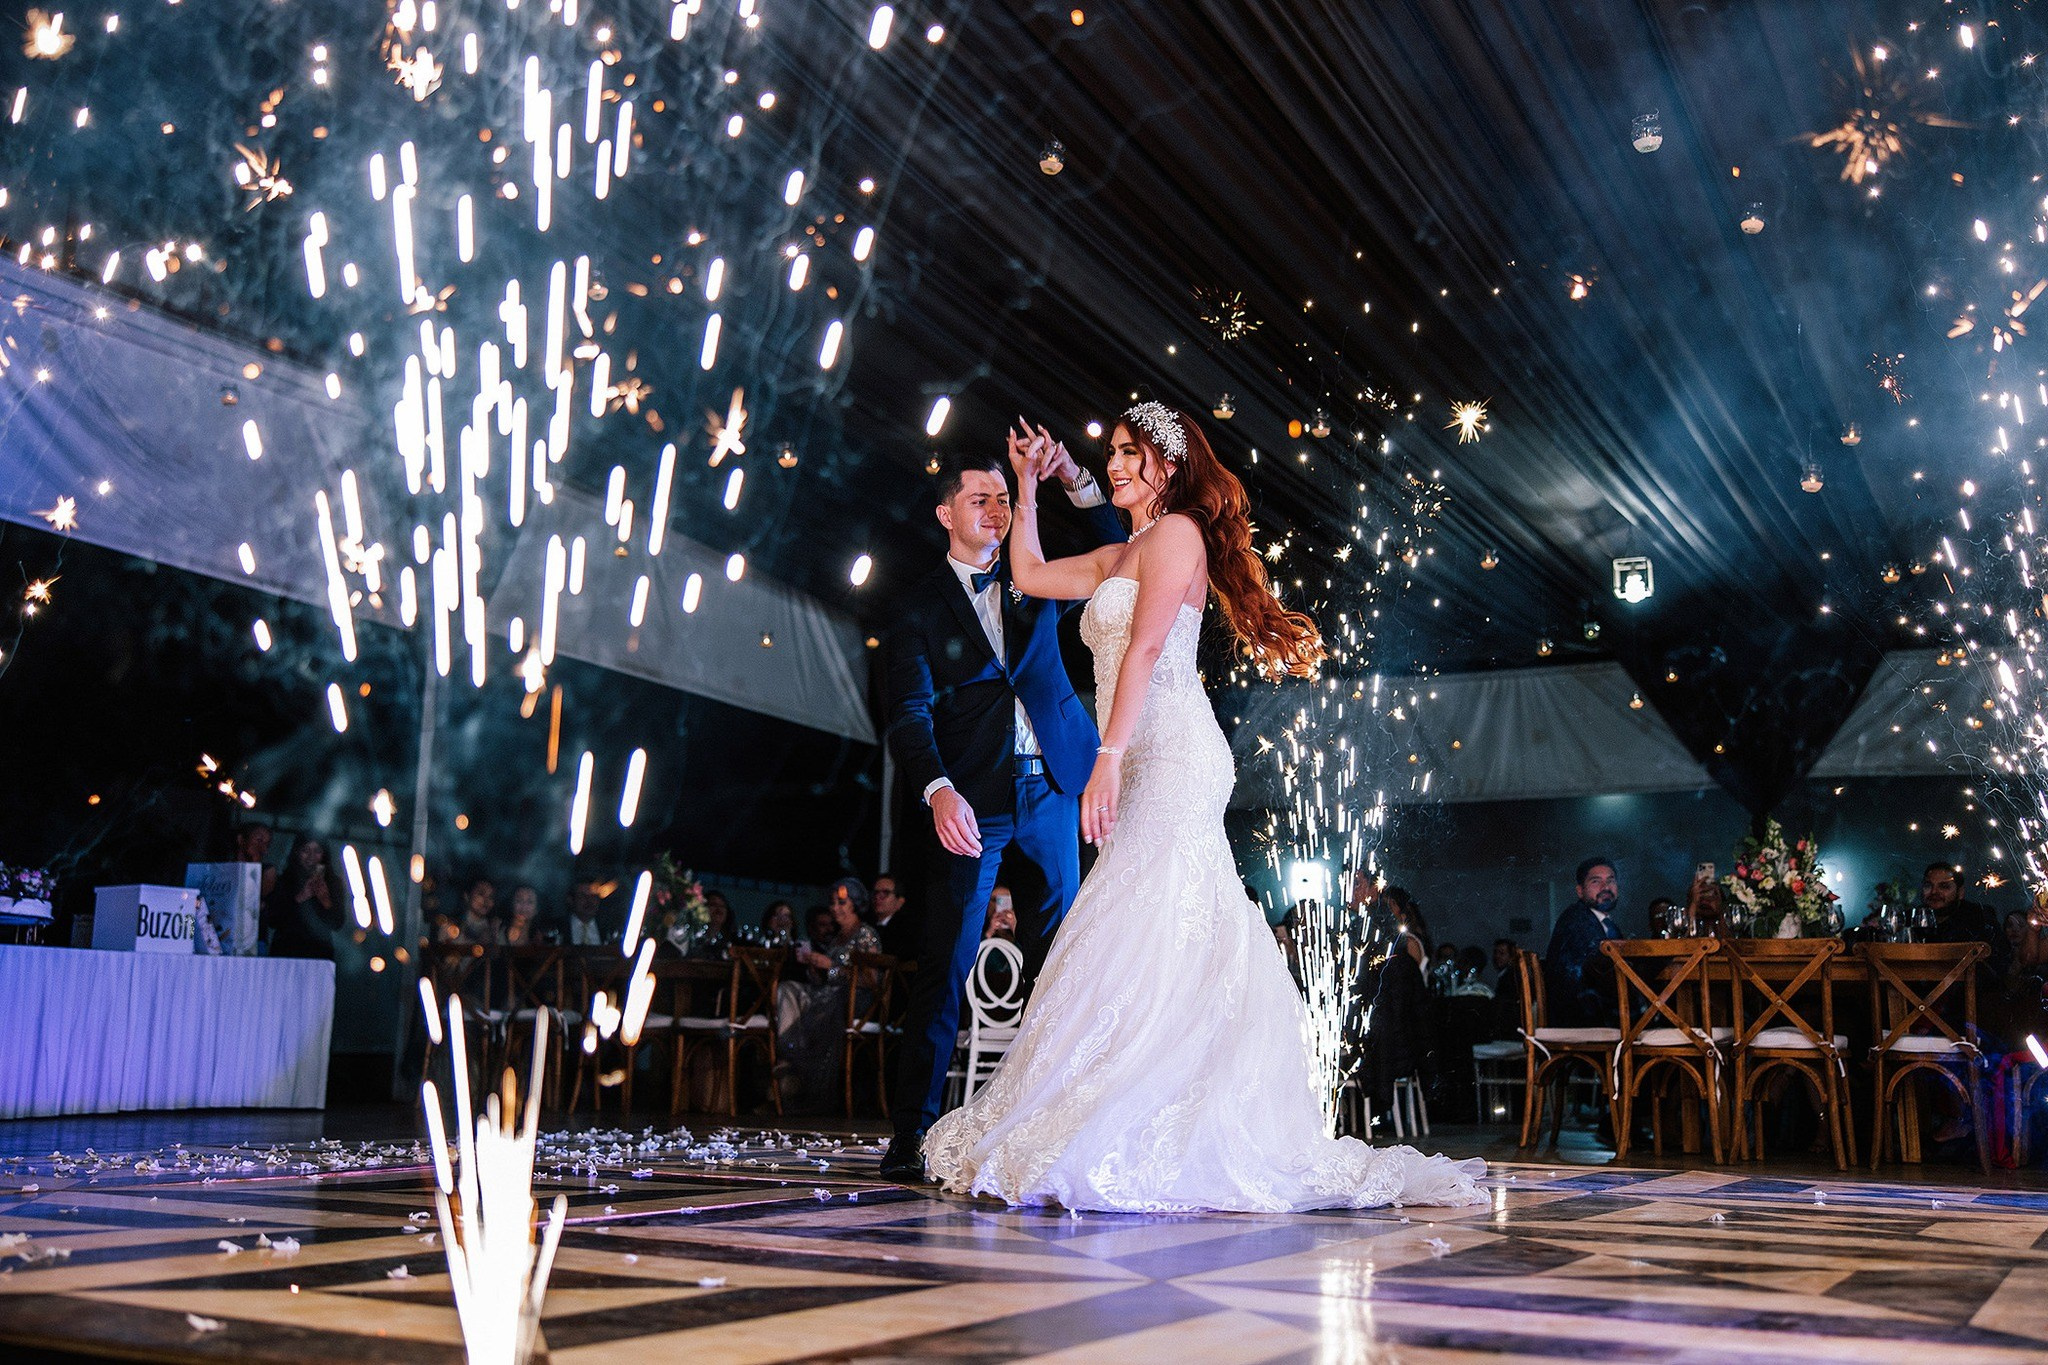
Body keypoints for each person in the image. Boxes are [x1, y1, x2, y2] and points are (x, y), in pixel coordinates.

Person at [922, 402, 1482, 1211]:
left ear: (1166, 466)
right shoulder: (1121, 551)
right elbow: (1031, 575)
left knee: (1151, 912)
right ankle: (1138, 1111)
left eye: (1127, 452)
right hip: (1138, 753)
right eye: (1109, 450)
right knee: (1137, 921)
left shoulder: (1177, 533)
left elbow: (1146, 648)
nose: (1112, 463)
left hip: (1170, 753)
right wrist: (1027, 484)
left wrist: (1106, 757)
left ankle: (1168, 1121)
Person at [880, 442, 1126, 1180]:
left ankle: (1062, 1127)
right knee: (946, 962)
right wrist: (936, 789)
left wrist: (1069, 478)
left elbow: (1114, 542)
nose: (996, 508)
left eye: (1002, 497)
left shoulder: (1032, 571)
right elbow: (909, 712)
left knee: (1065, 962)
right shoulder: (918, 605)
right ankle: (911, 1138)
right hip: (972, 799)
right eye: (980, 497)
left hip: (1054, 787)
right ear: (946, 512)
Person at [775, 886, 882, 1111]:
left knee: (826, 1005)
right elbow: (825, 981)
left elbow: (871, 979)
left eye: (841, 903)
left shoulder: (865, 934)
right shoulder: (836, 938)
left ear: (855, 904)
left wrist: (831, 967)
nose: (835, 908)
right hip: (828, 996)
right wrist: (815, 967)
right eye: (832, 902)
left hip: (854, 1001)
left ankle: (797, 1065)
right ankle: (792, 1052)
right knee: (788, 989)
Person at [1545, 857, 1623, 1027]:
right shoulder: (1577, 920)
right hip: (1580, 1020)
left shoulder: (1607, 924)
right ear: (1580, 891)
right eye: (1596, 881)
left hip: (1598, 1013)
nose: (1606, 888)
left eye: (1610, 881)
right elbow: (1603, 969)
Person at [1922, 863, 2012, 981]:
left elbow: (1998, 968)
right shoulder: (1913, 920)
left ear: (1960, 892)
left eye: (1944, 886)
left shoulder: (1979, 919)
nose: (1934, 892)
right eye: (1928, 886)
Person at [263, 836, 341, 960]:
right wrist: (301, 897)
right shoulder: (284, 881)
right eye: (306, 850)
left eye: (317, 851)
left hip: (319, 955)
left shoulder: (332, 883)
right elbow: (273, 920)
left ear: (324, 854)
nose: (311, 856)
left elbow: (337, 923)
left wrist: (325, 900)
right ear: (297, 853)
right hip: (285, 953)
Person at [438, 877, 501, 946]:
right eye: (481, 894)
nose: (486, 900)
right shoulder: (450, 925)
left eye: (491, 897)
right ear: (467, 896)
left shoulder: (497, 928)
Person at [871, 874, 917, 960]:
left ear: (900, 901)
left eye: (885, 893)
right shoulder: (868, 924)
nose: (878, 897)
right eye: (876, 892)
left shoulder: (907, 930)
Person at [564, 880, 613, 947]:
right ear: (571, 900)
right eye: (583, 896)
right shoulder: (558, 928)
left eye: (593, 896)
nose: (589, 901)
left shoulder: (610, 927)